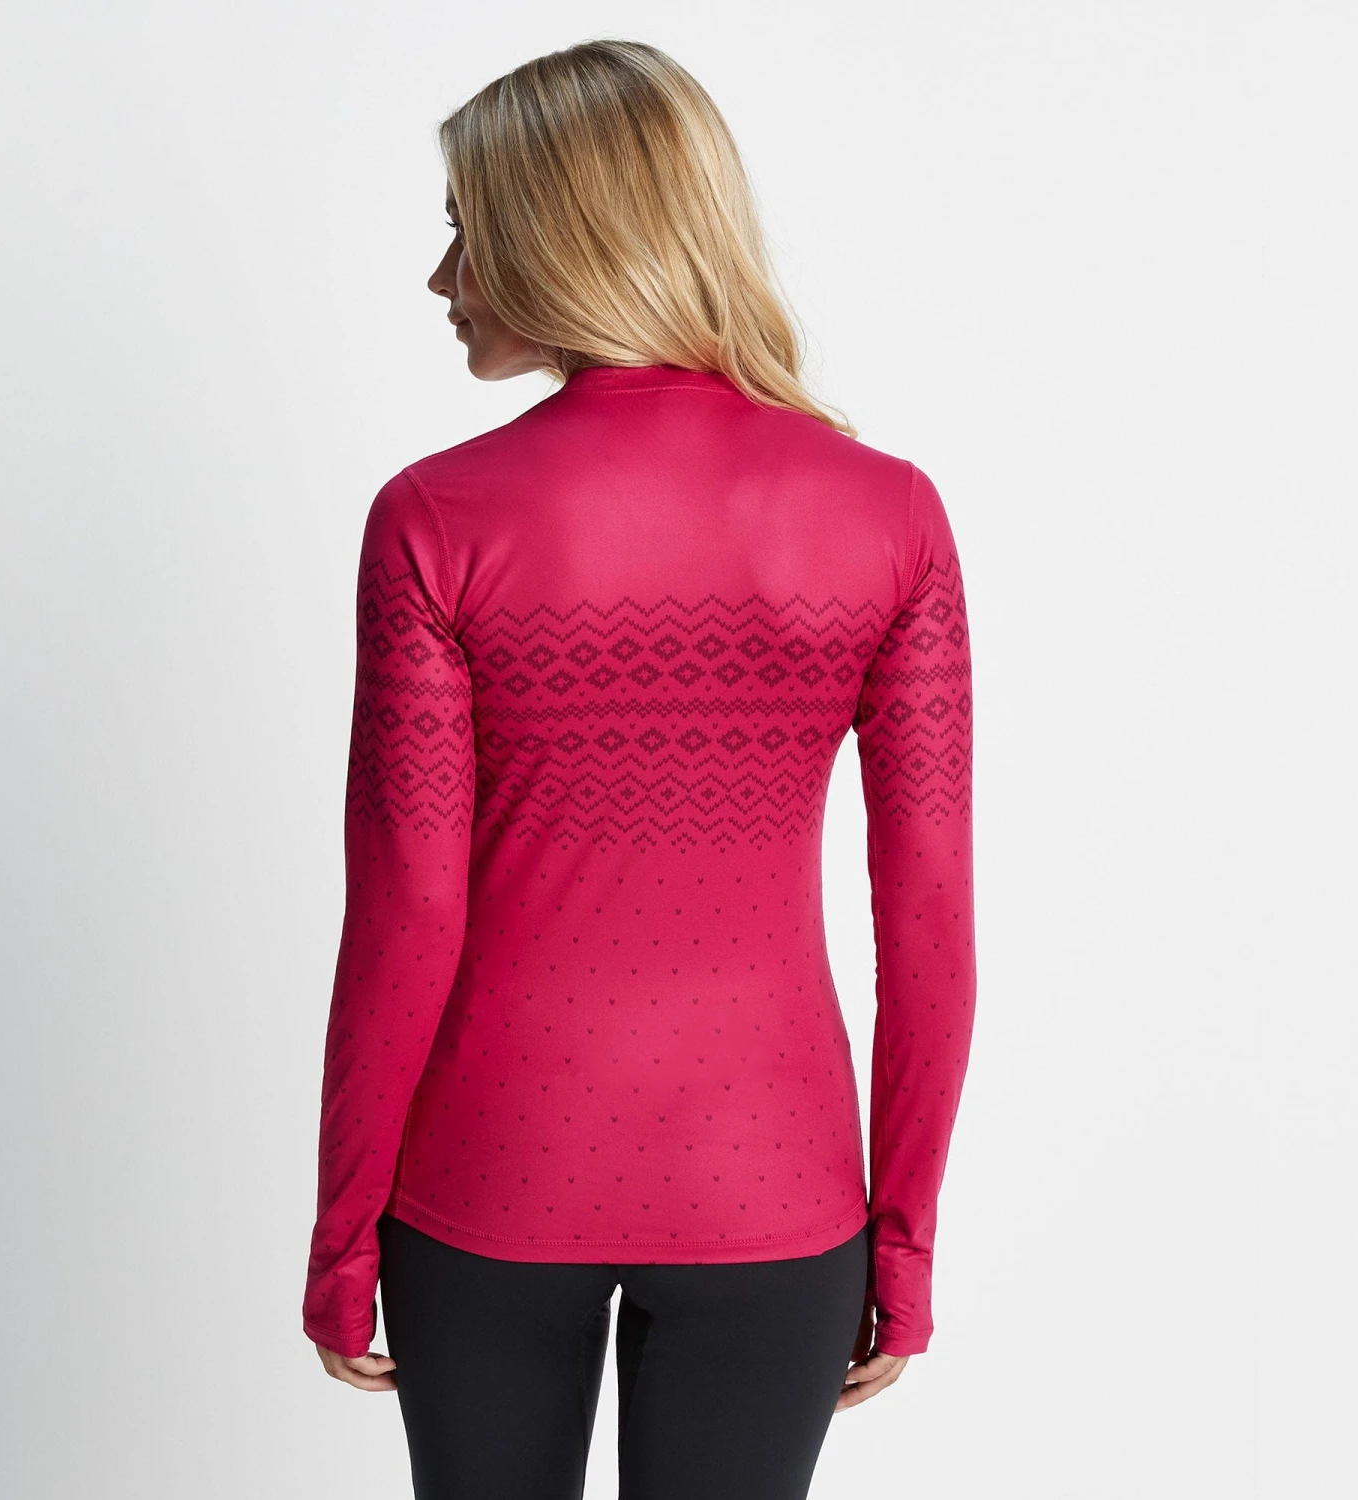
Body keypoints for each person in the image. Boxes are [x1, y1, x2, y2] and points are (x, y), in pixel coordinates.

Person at [303, 37, 976, 1500]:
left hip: (486, 1177)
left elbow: (407, 914)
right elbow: (928, 924)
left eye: (467, 230)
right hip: (773, 1180)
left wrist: (344, 1227)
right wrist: (906, 1240)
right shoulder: (890, 516)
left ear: (562, 235)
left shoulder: (437, 519)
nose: (442, 278)